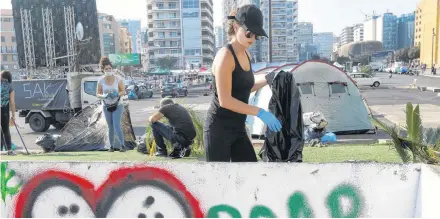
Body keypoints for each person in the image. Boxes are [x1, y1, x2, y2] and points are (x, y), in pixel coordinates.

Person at [204, 5, 282, 162]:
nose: (253, 39)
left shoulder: (246, 53)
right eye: (249, 33)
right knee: (221, 182)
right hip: (218, 130)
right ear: (236, 26)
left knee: (250, 176)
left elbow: (244, 88)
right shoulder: (225, 56)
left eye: (257, 35)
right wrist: (259, 112)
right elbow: (225, 100)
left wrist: (269, 78)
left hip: (238, 128)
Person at [96, 57, 127, 152]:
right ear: (103, 70)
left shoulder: (118, 79)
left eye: (110, 68)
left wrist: (117, 94)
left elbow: (123, 91)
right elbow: (97, 94)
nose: (109, 70)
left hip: (118, 104)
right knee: (110, 126)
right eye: (106, 69)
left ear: (112, 69)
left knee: (116, 124)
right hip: (106, 105)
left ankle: (122, 146)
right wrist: (104, 96)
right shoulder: (100, 80)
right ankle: (111, 146)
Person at [1, 71, 16, 155]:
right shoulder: (10, 86)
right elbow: (12, 102)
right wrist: (13, 115)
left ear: (2, 76)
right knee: (6, 130)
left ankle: (0, 150)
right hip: (4, 110)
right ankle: (9, 150)